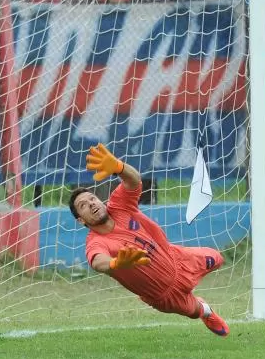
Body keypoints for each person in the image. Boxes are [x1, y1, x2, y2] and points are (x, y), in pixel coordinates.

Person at [71, 144, 230, 337]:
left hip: (178, 260)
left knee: (217, 257)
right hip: (163, 295)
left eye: (92, 199)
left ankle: (199, 292)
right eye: (83, 206)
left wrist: (119, 167)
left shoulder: (119, 206)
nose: (91, 204)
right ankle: (207, 312)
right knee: (194, 311)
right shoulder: (96, 241)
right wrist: (115, 263)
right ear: (81, 220)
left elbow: (135, 182)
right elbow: (97, 261)